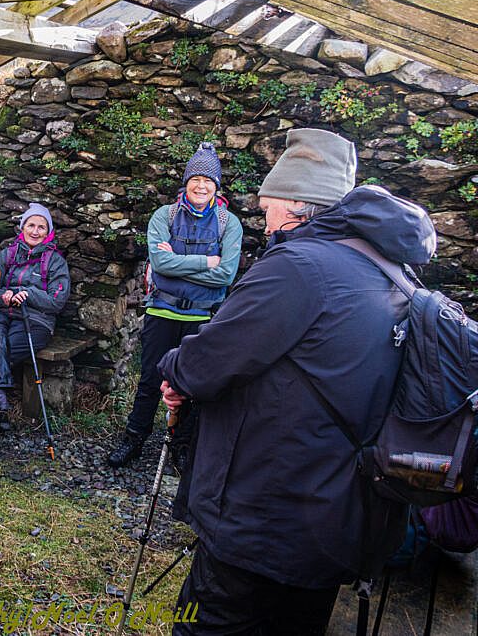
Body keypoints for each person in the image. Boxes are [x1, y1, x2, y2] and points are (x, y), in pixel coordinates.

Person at [157, 128, 437, 634]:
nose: (263, 221)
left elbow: (204, 364)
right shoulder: (391, 268)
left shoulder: (298, 267)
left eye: (267, 207)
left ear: (295, 204)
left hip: (265, 510)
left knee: (213, 622)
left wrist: (173, 368)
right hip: (334, 512)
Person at [107, 142, 243, 468]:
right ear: (186, 182)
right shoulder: (164, 216)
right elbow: (160, 265)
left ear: (216, 186)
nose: (201, 185)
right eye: (195, 179)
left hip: (201, 316)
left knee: (191, 383)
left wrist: (177, 261)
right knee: (150, 381)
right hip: (161, 311)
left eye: (208, 181)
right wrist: (205, 262)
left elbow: (225, 274)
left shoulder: (229, 223)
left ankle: (182, 447)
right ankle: (134, 439)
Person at [0, 203, 70, 454]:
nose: (35, 231)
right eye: (31, 225)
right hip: (2, 313)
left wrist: (30, 294)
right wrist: (4, 296)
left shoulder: (55, 262)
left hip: (35, 322)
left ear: (48, 232)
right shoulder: (8, 255)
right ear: (22, 227)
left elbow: (56, 301)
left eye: (41, 227)